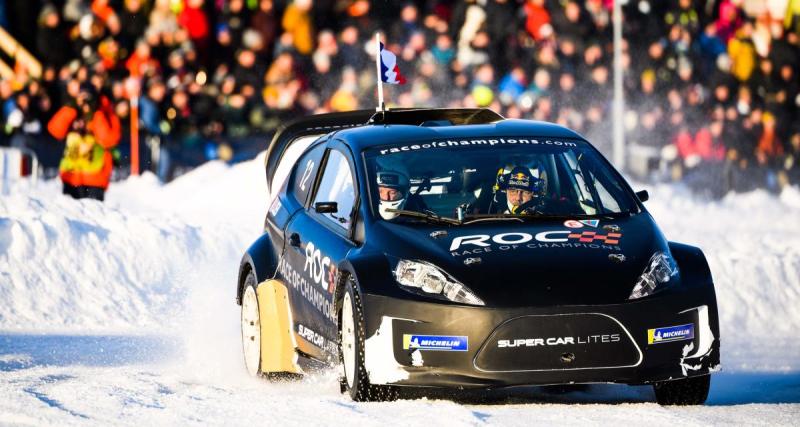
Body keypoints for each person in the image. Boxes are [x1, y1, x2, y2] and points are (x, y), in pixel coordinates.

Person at [47, 84, 121, 201]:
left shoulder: (104, 113)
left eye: (88, 97)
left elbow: (108, 140)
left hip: (95, 178)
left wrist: (96, 113)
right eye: (81, 96)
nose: (84, 101)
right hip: (71, 176)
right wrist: (71, 108)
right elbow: (55, 131)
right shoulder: (72, 112)